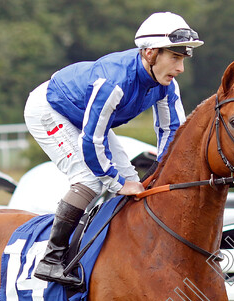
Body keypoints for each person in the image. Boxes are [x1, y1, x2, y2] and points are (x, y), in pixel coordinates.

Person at [23, 11, 203, 286]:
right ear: (151, 52)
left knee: (135, 181)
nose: (180, 68)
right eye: (175, 58)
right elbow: (91, 141)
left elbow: (171, 132)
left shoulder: (166, 85)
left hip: (85, 118)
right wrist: (116, 182)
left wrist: (157, 172)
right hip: (50, 108)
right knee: (90, 179)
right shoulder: (114, 81)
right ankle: (52, 258)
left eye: (183, 60)